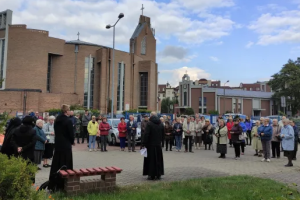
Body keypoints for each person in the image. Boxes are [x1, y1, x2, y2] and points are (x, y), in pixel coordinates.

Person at [49, 104, 74, 191]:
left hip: (58, 143)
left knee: (57, 162)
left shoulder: (57, 120)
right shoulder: (68, 121)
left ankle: (54, 183)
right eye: (69, 109)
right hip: (66, 144)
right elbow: (71, 133)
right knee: (66, 163)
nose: (70, 111)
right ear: (66, 111)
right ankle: (64, 184)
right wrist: (72, 141)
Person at [11, 116, 37, 183]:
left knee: (19, 169)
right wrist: (24, 148)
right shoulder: (33, 131)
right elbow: (33, 142)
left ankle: (18, 182)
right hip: (29, 154)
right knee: (29, 170)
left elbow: (12, 140)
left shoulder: (16, 130)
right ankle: (29, 183)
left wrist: (17, 147)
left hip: (18, 153)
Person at [142, 112, 164, 180]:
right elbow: (163, 134)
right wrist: (161, 142)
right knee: (158, 159)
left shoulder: (149, 124)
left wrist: (144, 143)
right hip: (158, 144)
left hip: (150, 145)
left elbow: (146, 134)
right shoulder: (161, 124)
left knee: (151, 160)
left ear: (151, 116)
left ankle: (151, 174)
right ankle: (159, 174)